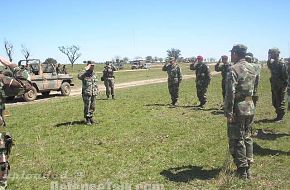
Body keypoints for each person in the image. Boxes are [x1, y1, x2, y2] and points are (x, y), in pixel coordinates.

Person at [224, 44, 257, 179]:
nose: (231, 56)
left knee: (237, 139)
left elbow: (230, 93)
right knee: (247, 136)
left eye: (232, 53)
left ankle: (242, 170)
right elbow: (255, 88)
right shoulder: (253, 68)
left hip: (238, 107)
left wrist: (228, 112)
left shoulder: (233, 69)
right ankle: (248, 164)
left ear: (236, 54)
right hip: (249, 105)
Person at [267, 48, 288, 122]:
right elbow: (269, 65)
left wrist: (282, 85)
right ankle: (278, 115)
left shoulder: (281, 63)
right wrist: (268, 58)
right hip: (274, 85)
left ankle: (281, 117)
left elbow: (285, 76)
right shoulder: (274, 63)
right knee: (275, 101)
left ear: (275, 54)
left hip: (280, 86)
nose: (270, 54)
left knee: (280, 101)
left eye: (271, 53)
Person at [78, 61, 98, 125]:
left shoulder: (94, 73)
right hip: (87, 93)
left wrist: (97, 90)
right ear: (88, 66)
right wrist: (85, 69)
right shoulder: (84, 73)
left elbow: (95, 83)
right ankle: (87, 119)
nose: (93, 67)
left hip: (93, 93)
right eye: (91, 65)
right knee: (87, 106)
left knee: (93, 106)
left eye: (93, 65)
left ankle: (91, 117)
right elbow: (79, 76)